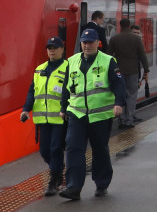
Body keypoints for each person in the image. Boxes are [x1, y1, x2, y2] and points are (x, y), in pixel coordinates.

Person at [60, 28, 129, 200]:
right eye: (84, 42)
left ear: (98, 43)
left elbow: (119, 84)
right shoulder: (72, 61)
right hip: (77, 115)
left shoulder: (108, 61)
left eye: (90, 42)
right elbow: (65, 88)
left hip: (100, 116)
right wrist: (63, 108)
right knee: (74, 149)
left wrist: (119, 103)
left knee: (100, 150)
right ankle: (73, 187)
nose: (87, 45)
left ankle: (101, 184)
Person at [20, 36, 70, 195]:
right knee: (44, 151)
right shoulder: (39, 69)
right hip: (42, 118)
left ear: (62, 49)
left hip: (60, 118)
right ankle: (57, 168)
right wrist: (26, 109)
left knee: (56, 148)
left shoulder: (69, 68)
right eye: (49, 48)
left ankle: (53, 181)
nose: (51, 50)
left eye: (55, 47)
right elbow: (32, 91)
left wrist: (66, 109)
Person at [106, 17, 151, 127]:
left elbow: (108, 56)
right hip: (133, 71)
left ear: (120, 26)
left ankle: (121, 119)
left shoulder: (114, 39)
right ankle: (129, 120)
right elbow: (142, 55)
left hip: (118, 71)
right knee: (131, 95)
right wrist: (146, 69)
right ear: (129, 26)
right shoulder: (136, 38)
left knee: (121, 94)